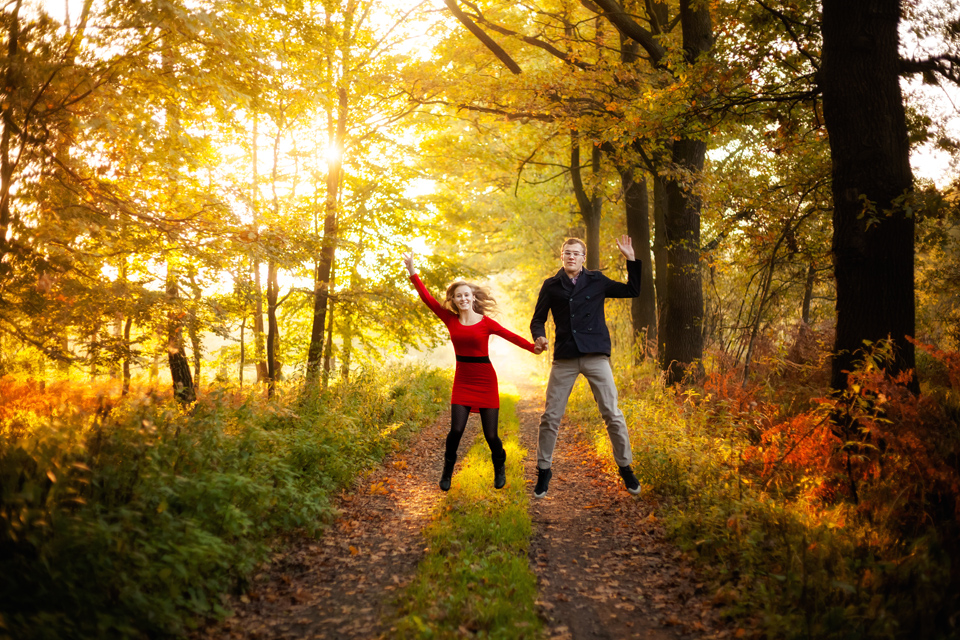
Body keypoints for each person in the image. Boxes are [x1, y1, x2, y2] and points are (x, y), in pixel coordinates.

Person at [404, 250, 543, 491]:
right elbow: (427, 299)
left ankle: (499, 465)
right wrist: (412, 271)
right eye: (459, 296)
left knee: (491, 436)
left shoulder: (485, 322)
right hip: (462, 380)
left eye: (466, 295)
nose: (463, 299)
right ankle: (447, 470)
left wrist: (534, 348)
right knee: (456, 430)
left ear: (472, 297)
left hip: (485, 380)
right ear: (454, 299)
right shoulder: (450, 319)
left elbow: (511, 336)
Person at [530, 235, 642, 498]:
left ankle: (625, 467)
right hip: (565, 356)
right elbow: (538, 319)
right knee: (550, 417)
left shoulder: (596, 280)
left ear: (583, 257)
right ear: (562, 256)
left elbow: (632, 290)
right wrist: (539, 336)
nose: (571, 256)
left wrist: (631, 260)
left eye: (576, 253)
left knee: (612, 413)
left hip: (595, 354)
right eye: (567, 252)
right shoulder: (551, 285)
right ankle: (544, 469)